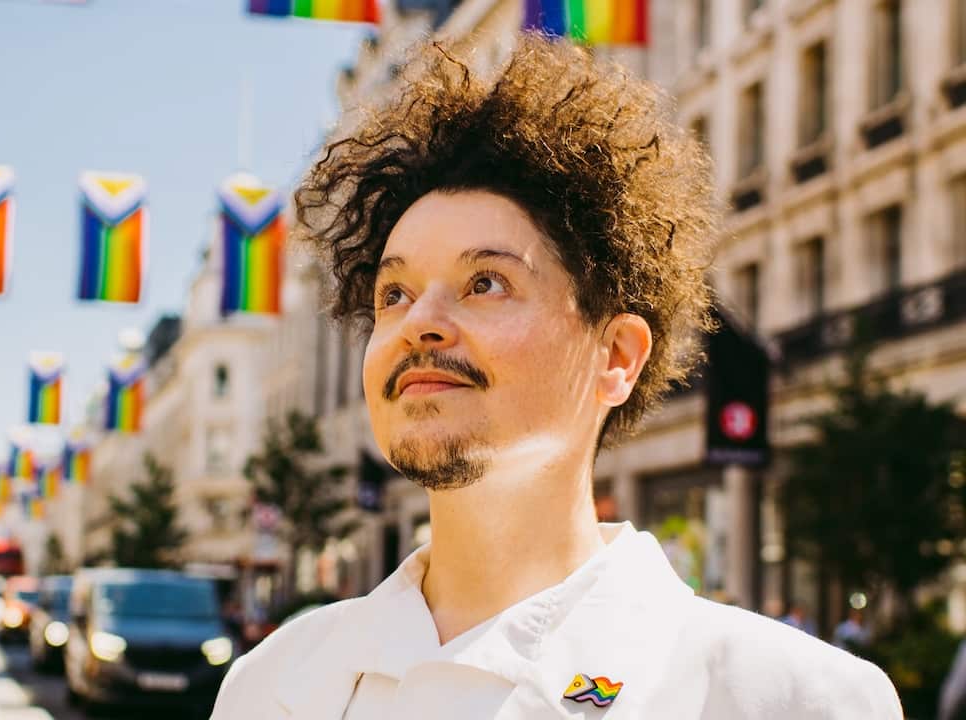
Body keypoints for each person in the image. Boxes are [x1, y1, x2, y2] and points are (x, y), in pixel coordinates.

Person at [211, 33, 904, 719]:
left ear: (617, 358)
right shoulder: (266, 685)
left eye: (485, 282)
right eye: (394, 293)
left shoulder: (796, 701)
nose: (420, 321)